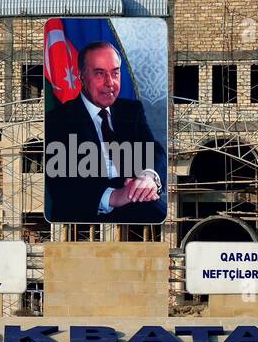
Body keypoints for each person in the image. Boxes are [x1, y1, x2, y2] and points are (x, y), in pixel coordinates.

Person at [44, 41, 166, 223]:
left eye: (115, 73)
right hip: (83, 214)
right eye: (100, 74)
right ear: (82, 77)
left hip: (136, 204)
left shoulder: (131, 111)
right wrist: (115, 196)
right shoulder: (57, 120)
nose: (110, 83)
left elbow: (154, 151)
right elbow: (61, 184)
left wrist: (148, 178)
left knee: (156, 211)